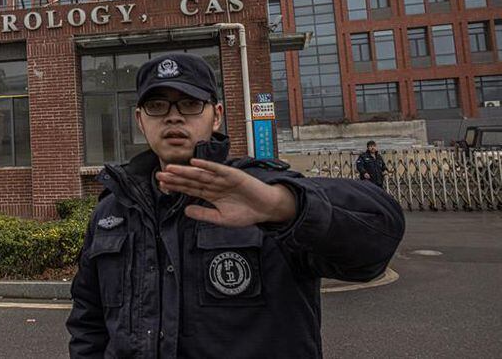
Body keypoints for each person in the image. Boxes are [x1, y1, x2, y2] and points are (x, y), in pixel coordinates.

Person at [67, 53, 405, 358]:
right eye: (157, 106)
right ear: (140, 121)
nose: (172, 118)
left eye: (188, 104)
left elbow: (377, 239)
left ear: (216, 117)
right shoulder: (113, 211)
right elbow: (89, 321)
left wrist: (284, 207)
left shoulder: (264, 192)